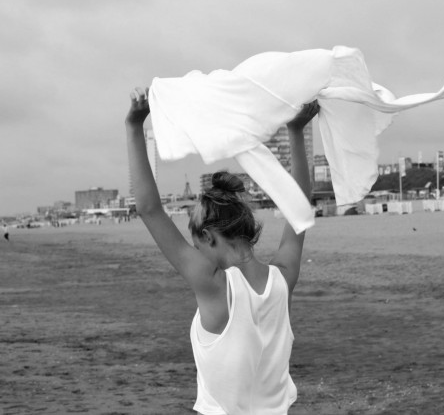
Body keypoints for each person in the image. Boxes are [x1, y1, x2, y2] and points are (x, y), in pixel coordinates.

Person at [126, 86, 317, 415]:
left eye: (195, 241)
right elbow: (299, 202)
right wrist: (296, 131)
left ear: (210, 236)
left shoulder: (213, 283)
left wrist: (133, 127)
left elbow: (148, 209)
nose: (194, 249)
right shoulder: (284, 278)